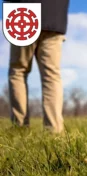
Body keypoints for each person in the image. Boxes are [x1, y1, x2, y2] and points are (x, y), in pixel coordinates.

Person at [4, 0, 70, 133]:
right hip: (54, 15)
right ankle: (54, 129)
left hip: (23, 12)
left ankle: (20, 127)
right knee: (51, 75)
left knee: (18, 71)